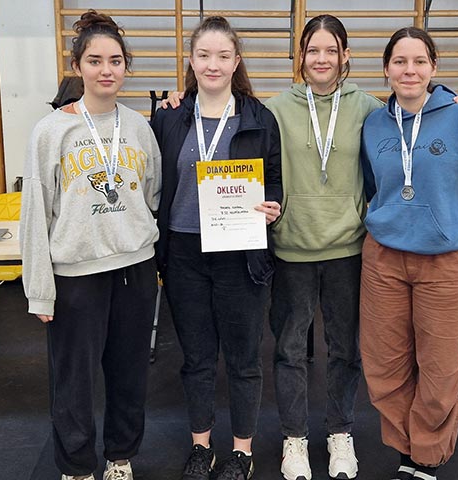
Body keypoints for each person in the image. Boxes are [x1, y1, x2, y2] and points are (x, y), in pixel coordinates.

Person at [160, 15, 458, 480]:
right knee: (289, 349)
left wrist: (454, 98)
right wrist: (180, 96)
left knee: (345, 350)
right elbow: (252, 158)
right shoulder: (271, 111)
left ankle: (339, 433)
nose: (322, 59)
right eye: (313, 50)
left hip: (349, 249)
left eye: (331, 50)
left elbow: (416, 102)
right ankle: (294, 438)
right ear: (301, 56)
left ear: (345, 56)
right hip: (292, 248)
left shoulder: (370, 109)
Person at [359, 27, 458, 480]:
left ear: (434, 68)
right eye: (400, 61)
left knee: (441, 369)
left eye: (419, 61)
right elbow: (373, 186)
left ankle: (425, 457)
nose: (410, 70)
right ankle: (405, 450)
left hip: (447, 262)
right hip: (384, 260)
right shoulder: (374, 124)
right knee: (384, 365)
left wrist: (455, 227)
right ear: (386, 69)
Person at [19, 10, 161, 480]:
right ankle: (78, 467)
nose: (106, 70)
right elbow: (35, 213)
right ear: (77, 66)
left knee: (129, 375)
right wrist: (40, 290)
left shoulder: (139, 127)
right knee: (73, 381)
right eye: (95, 61)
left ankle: (120, 458)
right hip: (76, 276)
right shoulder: (51, 131)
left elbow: (152, 194)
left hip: (135, 270)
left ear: (126, 67)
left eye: (115, 61)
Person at [150, 16, 282, 480]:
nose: (213, 64)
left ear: (236, 61)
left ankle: (242, 451)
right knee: (197, 358)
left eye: (223, 56)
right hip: (184, 253)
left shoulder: (259, 117)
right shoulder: (169, 116)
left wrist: (273, 207)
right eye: (204, 55)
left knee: (244, 357)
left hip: (240, 251)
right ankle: (201, 446)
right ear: (190, 60)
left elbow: (275, 182)